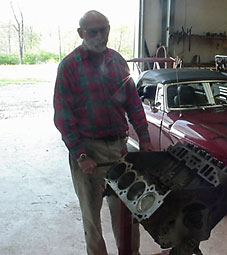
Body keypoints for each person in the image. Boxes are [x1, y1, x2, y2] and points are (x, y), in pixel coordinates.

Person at [53, 10, 153, 255]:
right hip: (88, 150)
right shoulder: (69, 66)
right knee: (91, 215)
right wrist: (81, 155)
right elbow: (63, 116)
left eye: (104, 30)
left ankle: (129, 252)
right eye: (92, 32)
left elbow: (133, 103)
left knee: (127, 210)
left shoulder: (117, 61)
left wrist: (145, 139)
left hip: (119, 147)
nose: (99, 36)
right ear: (80, 34)